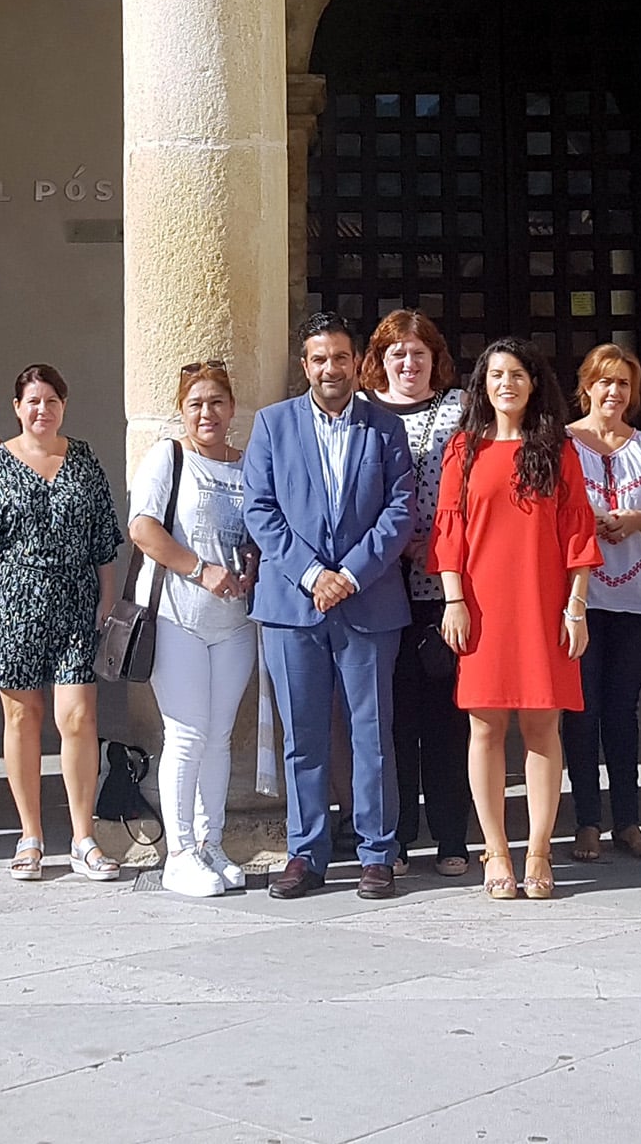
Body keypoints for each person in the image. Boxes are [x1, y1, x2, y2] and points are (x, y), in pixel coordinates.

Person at [243, 311, 415, 900]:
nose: (330, 368)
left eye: (340, 357)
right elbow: (259, 510)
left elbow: (401, 511)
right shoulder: (272, 426)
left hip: (368, 604)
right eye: (319, 358)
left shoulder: (385, 428)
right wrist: (314, 573)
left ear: (356, 362)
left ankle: (376, 853)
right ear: (305, 366)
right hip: (294, 606)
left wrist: (350, 575)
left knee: (372, 733)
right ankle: (305, 852)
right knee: (303, 737)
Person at [430, 338, 600, 900]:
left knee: (542, 726)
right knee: (484, 726)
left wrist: (576, 607)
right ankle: (497, 850)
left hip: (544, 602)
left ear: (534, 383)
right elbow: (448, 531)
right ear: (483, 384)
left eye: (518, 374)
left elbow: (579, 533)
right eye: (497, 374)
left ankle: (540, 851)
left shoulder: (558, 449)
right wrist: (454, 599)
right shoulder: (463, 449)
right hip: (481, 605)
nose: (507, 384)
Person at [0, 363, 123, 883]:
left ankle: (82, 837)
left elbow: (104, 540)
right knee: (22, 718)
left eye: (51, 400)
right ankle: (30, 835)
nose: (42, 410)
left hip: (75, 604)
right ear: (16, 408)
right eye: (32, 401)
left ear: (63, 406)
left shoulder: (83, 460)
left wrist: (107, 599)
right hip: (12, 606)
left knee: (78, 718)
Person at [129, 362, 254, 897]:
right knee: (186, 734)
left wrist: (250, 562)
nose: (208, 413)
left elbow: (259, 527)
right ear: (183, 409)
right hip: (177, 613)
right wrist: (200, 570)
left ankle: (210, 842)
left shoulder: (247, 465)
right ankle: (178, 852)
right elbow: (143, 528)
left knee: (220, 737)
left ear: (231, 408)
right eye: (197, 403)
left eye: (217, 402)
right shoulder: (169, 456)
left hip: (234, 621)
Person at [356, 310, 470, 878]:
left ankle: (452, 835)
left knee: (446, 715)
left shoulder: (460, 410)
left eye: (418, 352)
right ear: (380, 358)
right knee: (390, 718)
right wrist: (396, 544)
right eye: (397, 352)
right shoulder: (361, 412)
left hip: (441, 586)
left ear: (434, 358)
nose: (408, 361)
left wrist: (443, 547)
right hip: (378, 583)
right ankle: (394, 837)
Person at [563, 343, 641, 864]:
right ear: (586, 385)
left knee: (623, 711)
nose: (613, 392)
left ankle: (627, 820)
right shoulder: (563, 445)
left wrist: (637, 521)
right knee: (581, 710)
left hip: (637, 594)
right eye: (604, 381)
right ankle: (586, 820)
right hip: (579, 598)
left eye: (624, 384)